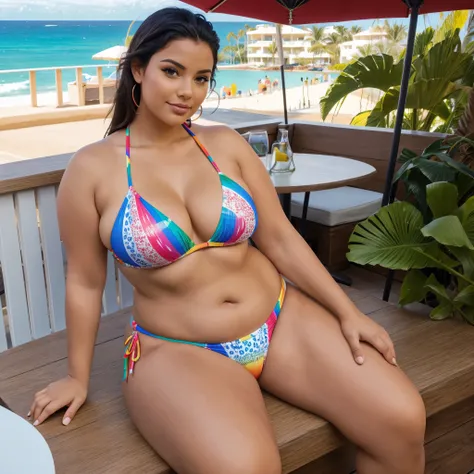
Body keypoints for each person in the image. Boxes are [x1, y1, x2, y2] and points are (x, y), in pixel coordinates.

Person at [28, 8, 426, 474]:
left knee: (401, 420)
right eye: (171, 71)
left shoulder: (226, 144)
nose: (186, 92)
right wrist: (77, 376)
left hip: (279, 319)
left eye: (201, 78)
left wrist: (348, 312)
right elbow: (84, 282)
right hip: (178, 348)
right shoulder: (92, 169)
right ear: (138, 69)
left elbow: (280, 238)